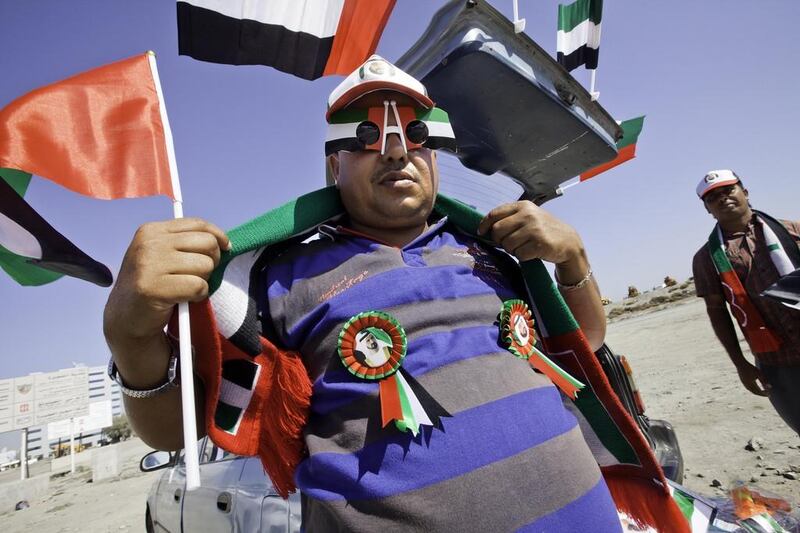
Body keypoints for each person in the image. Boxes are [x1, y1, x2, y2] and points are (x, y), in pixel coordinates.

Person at [104, 56, 680, 531]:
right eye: (366, 137)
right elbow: (171, 431)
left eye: (417, 134)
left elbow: (584, 342)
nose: (397, 149)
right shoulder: (276, 277)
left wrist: (573, 259)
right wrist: (129, 337)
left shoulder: (495, 253)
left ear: (432, 155)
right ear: (334, 165)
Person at [692, 169, 800, 435]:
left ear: (745, 192)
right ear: (707, 209)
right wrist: (741, 364)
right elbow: (717, 312)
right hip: (777, 361)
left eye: (729, 189)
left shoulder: (792, 231)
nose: (723, 198)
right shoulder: (707, 258)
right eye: (712, 197)